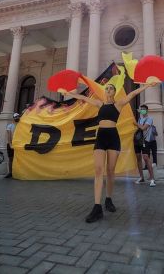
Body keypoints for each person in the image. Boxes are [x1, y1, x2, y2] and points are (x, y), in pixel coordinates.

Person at [61, 82, 156, 223]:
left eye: (111, 88)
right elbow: (84, 98)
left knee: (110, 171)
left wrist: (147, 86)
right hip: (101, 137)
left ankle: (109, 200)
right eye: (107, 88)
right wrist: (69, 93)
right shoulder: (99, 104)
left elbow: (132, 94)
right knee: (99, 170)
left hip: (113, 137)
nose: (108, 89)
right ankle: (97, 207)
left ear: (114, 92)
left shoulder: (118, 104)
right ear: (105, 92)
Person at [136, 105, 156, 187]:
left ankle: (152, 179)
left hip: (145, 141)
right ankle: (141, 177)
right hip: (137, 141)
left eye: (144, 109)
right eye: (141, 109)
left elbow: (143, 128)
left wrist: (135, 124)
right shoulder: (140, 119)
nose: (143, 110)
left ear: (147, 110)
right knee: (138, 158)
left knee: (146, 158)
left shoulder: (149, 119)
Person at [4, 112, 20, 179]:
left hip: (18, 144)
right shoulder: (10, 126)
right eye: (16, 117)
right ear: (13, 118)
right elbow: (9, 136)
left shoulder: (21, 125)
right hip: (11, 144)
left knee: (18, 159)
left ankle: (17, 172)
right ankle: (10, 172)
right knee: (11, 159)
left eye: (18, 117)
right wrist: (10, 144)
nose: (17, 118)